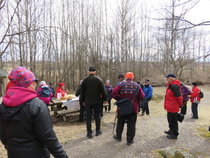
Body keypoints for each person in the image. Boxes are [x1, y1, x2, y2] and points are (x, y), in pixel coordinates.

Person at [0, 67, 68, 158]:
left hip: (14, 153)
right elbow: (48, 137)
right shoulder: (37, 105)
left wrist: (12, 148)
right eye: (33, 83)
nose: (35, 86)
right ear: (27, 85)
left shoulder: (3, 105)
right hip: (37, 154)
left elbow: (2, 135)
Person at [112, 72, 144, 145]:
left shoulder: (121, 84)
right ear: (133, 77)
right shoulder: (137, 86)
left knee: (120, 122)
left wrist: (119, 99)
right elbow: (142, 97)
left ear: (126, 77)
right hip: (133, 108)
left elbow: (114, 93)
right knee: (131, 125)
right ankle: (129, 140)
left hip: (122, 107)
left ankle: (118, 136)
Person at [80, 66, 107, 138]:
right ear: (95, 72)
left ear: (88, 72)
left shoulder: (84, 80)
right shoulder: (99, 80)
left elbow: (82, 92)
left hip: (88, 101)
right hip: (97, 101)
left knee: (88, 117)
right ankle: (98, 131)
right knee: (97, 116)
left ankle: (89, 132)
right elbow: (103, 91)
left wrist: (82, 100)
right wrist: (105, 99)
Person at [164, 73, 183, 139]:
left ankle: (175, 134)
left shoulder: (174, 86)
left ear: (172, 78)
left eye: (167, 78)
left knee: (173, 120)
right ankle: (171, 130)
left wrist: (180, 105)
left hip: (173, 106)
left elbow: (179, 97)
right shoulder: (171, 85)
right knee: (170, 119)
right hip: (170, 106)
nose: (166, 79)